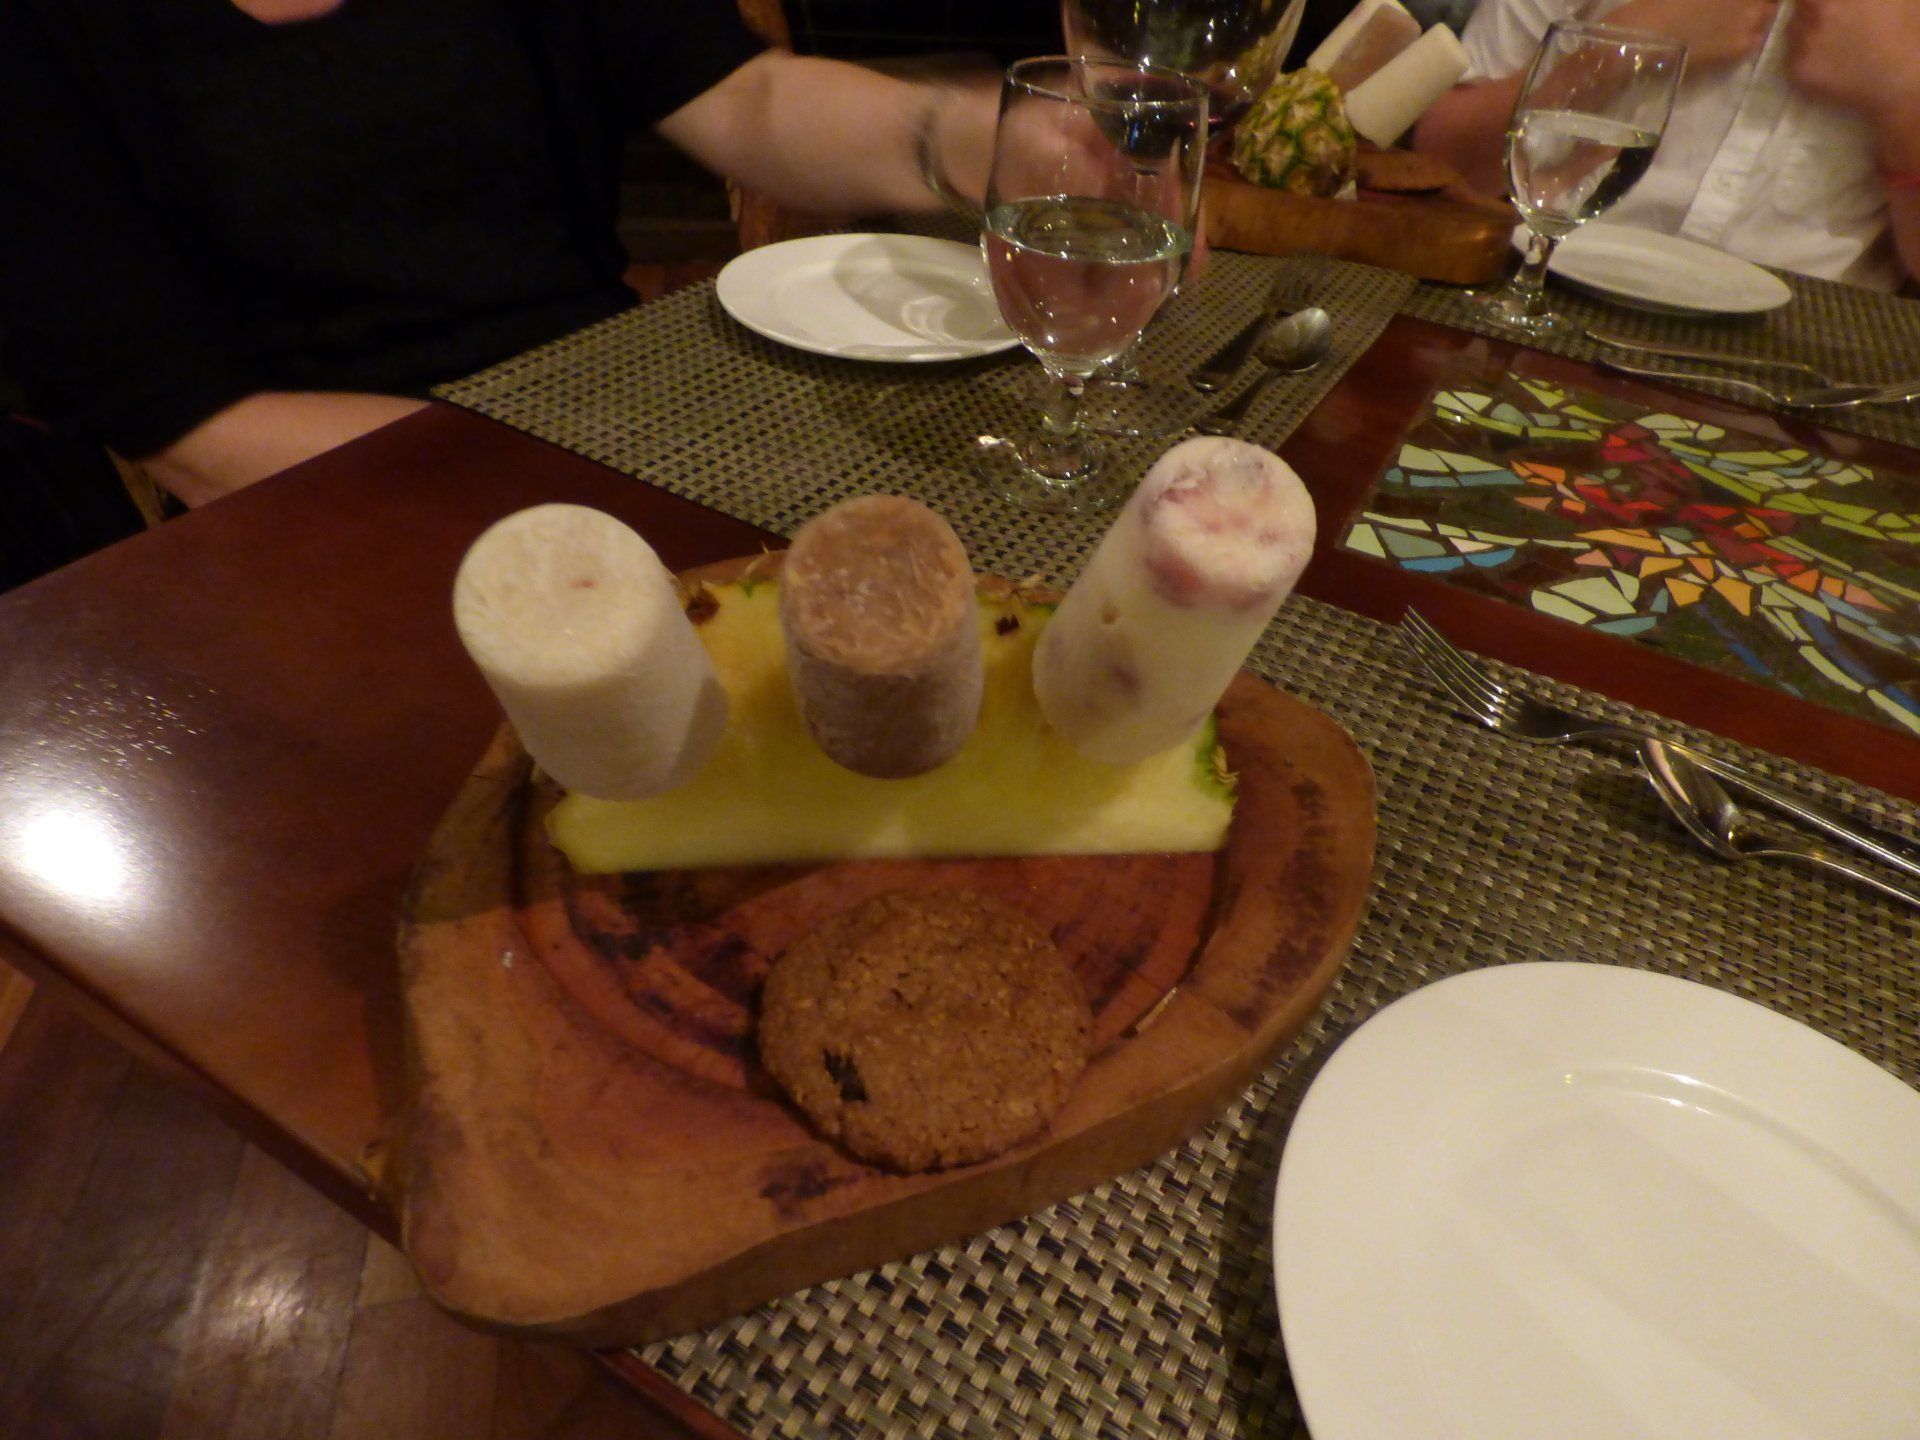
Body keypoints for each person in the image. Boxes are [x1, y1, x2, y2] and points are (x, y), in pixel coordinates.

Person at [0, 0, 999, 508]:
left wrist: (967, 140)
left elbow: (743, 95)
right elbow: (192, 433)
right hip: (318, 514)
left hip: (616, 438)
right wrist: (590, 467)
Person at [1411, 0, 1920, 291]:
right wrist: (1628, 45)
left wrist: (1901, 100)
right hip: (1545, 294)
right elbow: (1443, 164)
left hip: (1810, 363)